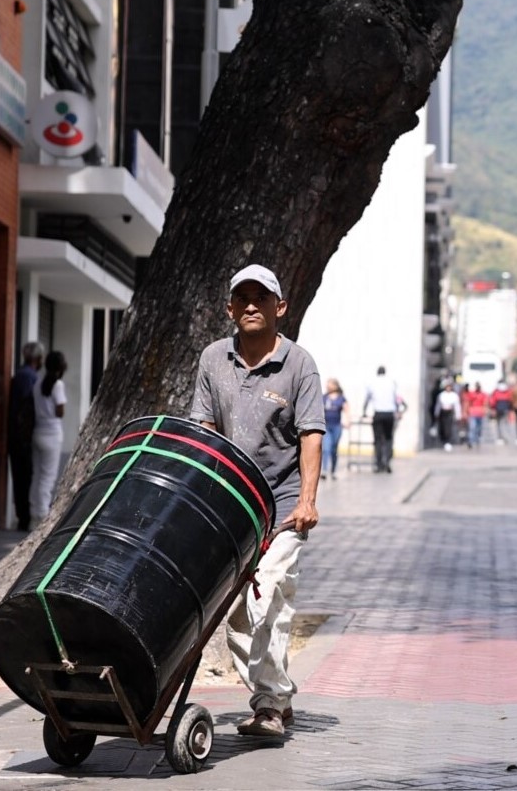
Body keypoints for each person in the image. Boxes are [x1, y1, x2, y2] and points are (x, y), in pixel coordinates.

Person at [189, 264, 324, 738]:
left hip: (283, 504)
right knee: (242, 613)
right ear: (230, 308)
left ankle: (269, 703)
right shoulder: (212, 359)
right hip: (233, 504)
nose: (250, 305)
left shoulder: (299, 364)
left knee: (264, 597)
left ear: (279, 307)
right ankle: (275, 697)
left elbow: (310, 435)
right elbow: (205, 429)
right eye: (241, 298)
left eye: (260, 298)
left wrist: (307, 501)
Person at [7, 341, 43, 532]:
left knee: (22, 477)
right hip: (23, 437)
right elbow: (26, 408)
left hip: (18, 435)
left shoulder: (21, 376)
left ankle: (24, 515)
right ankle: (25, 517)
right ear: (38, 358)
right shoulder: (29, 378)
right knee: (25, 477)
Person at [30, 350, 68, 526]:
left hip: (37, 432)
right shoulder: (57, 385)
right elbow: (60, 411)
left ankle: (35, 512)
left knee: (37, 475)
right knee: (48, 477)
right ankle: (43, 515)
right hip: (52, 434)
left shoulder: (38, 383)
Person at [361, 365, 402, 473]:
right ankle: (387, 461)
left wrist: (364, 412)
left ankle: (379, 464)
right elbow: (397, 398)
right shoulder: (391, 382)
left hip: (378, 413)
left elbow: (367, 399)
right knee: (389, 438)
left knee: (378, 439)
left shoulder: (372, 382)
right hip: (389, 413)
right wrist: (398, 411)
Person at [321, 378, 350, 479]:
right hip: (326, 427)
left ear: (335, 386)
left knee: (334, 449)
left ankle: (333, 470)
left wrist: (347, 421)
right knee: (326, 449)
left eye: (329, 384)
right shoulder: (324, 397)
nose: (327, 386)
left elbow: (346, 409)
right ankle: (324, 470)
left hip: (337, 427)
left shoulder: (341, 398)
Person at [434, 380, 460, 451]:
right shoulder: (441, 395)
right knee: (443, 427)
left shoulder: (454, 395)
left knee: (448, 427)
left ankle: (448, 441)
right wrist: (436, 413)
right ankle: (443, 440)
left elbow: (457, 406)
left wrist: (458, 415)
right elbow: (438, 405)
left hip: (450, 412)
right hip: (443, 412)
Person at [463, 382, 488, 448]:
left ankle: (478, 440)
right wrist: (465, 412)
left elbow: (485, 403)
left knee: (479, 428)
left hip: (480, 413)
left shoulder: (483, 394)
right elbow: (467, 402)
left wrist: (485, 410)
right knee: (472, 427)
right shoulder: (471, 394)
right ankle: (470, 441)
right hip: (472, 413)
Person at [490, 379, 513, 444]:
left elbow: (492, 401)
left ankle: (500, 437)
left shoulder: (496, 391)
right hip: (505, 409)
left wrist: (493, 409)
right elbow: (511, 400)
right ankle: (504, 437)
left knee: (499, 424)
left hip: (498, 409)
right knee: (504, 424)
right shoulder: (508, 391)